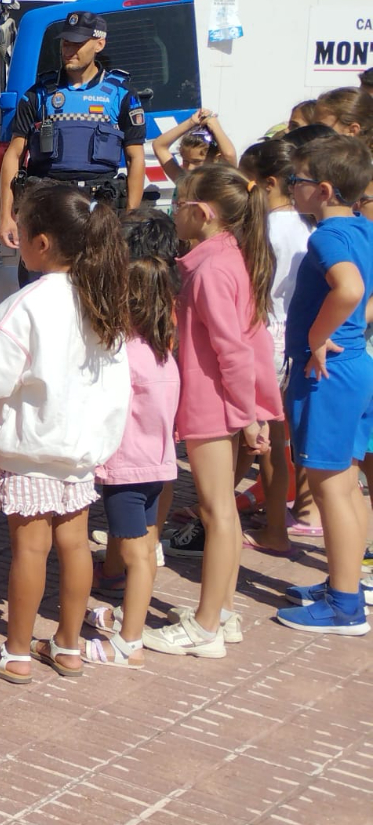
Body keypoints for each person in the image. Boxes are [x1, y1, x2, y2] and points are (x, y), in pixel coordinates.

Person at [0, 182, 131, 683]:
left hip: (32, 448)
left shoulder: (25, 304)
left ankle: (15, 653)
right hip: (81, 449)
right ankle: (68, 646)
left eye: (22, 231)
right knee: (75, 545)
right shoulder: (103, 301)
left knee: (30, 550)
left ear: (42, 242)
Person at [143, 165, 280, 659]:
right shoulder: (229, 258)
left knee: (217, 511)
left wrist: (247, 415)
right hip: (225, 401)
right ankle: (221, 612)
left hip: (213, 402)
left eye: (178, 205)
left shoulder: (210, 270)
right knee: (221, 510)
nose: (173, 213)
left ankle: (205, 629)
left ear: (201, 213)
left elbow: (232, 351)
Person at [275, 136, 373, 635]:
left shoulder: (327, 236)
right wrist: (352, 329)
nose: (291, 187)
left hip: (326, 374)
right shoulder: (364, 227)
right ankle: (347, 582)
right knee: (348, 484)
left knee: (330, 486)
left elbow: (350, 288)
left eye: (298, 180)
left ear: (325, 190)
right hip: (355, 366)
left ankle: (344, 605)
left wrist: (318, 336)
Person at [0, 11, 147, 280]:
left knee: (96, 289)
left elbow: (136, 158)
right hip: (48, 210)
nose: (69, 50)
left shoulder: (122, 94)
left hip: (97, 212)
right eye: (66, 43)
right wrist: (6, 216)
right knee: (38, 288)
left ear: (99, 44)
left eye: (78, 44)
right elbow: (14, 154)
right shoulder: (39, 94)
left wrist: (130, 218)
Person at [83, 251, 179, 668]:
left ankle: (129, 643)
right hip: (157, 466)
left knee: (136, 556)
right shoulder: (163, 354)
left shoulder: (124, 355)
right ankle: (129, 619)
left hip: (127, 470)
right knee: (144, 549)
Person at [237, 138, 312, 556]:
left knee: (252, 440)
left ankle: (241, 523)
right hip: (290, 337)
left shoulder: (265, 229)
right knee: (277, 442)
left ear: (268, 184)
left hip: (263, 337)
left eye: (248, 185)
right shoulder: (306, 224)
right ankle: (275, 524)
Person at [150, 109, 236, 183]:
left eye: (197, 161)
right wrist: (191, 122)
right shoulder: (184, 181)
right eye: (185, 161)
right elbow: (159, 146)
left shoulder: (222, 183)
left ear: (216, 159)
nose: (190, 168)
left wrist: (215, 125)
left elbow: (229, 155)